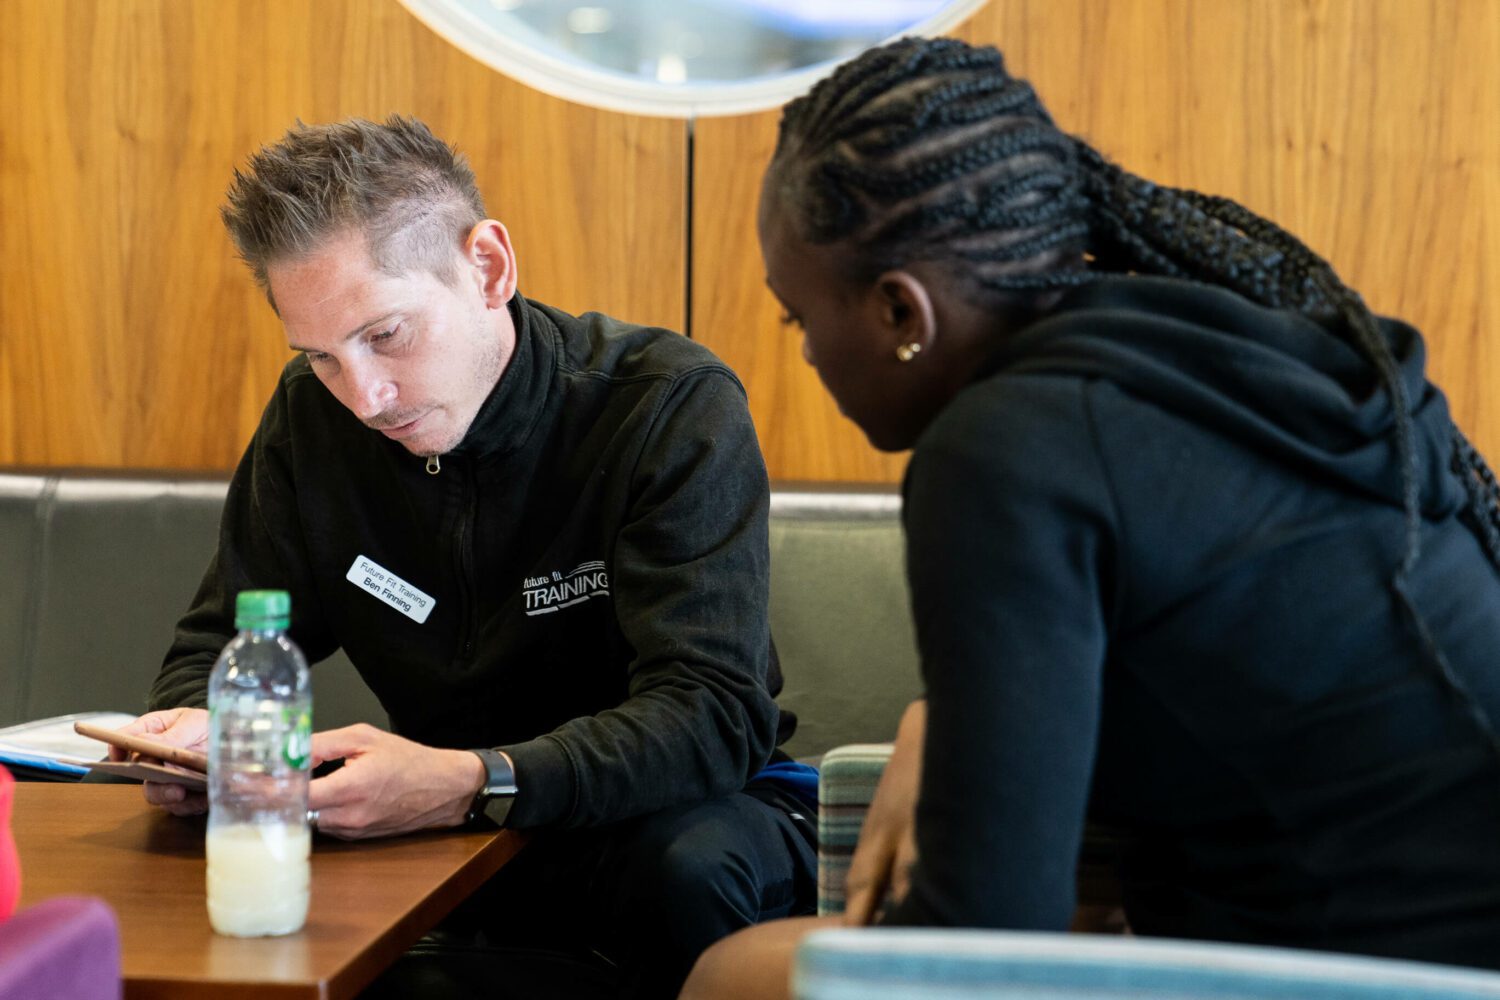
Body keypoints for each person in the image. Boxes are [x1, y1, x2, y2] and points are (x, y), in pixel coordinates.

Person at [682, 35, 1500, 998]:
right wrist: (940, 716)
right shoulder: (1187, 346)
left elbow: (980, 941)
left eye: (796, 317)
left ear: (904, 315)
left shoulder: (1001, 446)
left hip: (1379, 970)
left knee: (732, 973)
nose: (808, 355)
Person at [111, 115, 815, 1000]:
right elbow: (215, 650)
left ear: (487, 267)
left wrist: (474, 780)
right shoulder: (312, 420)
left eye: (387, 335)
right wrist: (196, 748)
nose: (364, 397)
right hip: (438, 826)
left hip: (673, 812)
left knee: (688, 871)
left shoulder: (663, 407)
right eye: (321, 356)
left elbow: (713, 714)